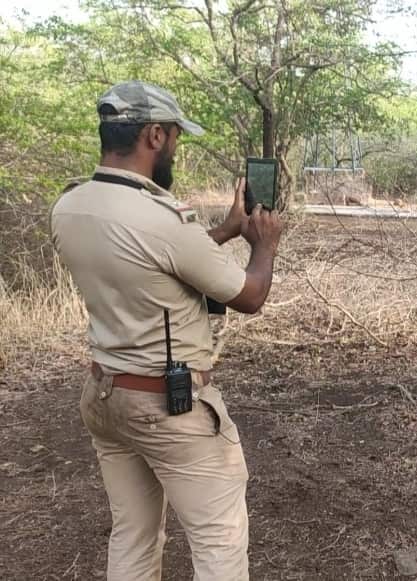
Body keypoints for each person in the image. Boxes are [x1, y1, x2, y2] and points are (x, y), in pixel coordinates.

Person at [50, 80, 283, 580]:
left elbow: (148, 265)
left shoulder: (69, 206)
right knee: (218, 541)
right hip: (168, 407)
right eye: (175, 136)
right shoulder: (163, 220)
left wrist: (221, 231)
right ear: (154, 135)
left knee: (132, 535)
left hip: (105, 394)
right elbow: (249, 296)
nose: (175, 147)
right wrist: (264, 243)